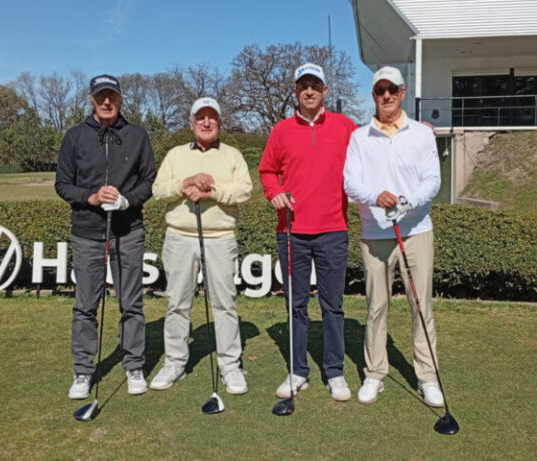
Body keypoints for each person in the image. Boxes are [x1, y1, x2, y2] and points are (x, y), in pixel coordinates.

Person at [342, 66, 444, 406]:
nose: (386, 95)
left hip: (416, 230)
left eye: (393, 90)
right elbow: (350, 182)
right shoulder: (359, 137)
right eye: (379, 90)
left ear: (402, 93)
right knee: (376, 307)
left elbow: (432, 180)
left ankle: (427, 376)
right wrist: (376, 196)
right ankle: (374, 373)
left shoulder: (421, 134)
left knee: (420, 305)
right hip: (375, 232)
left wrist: (408, 201)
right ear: (373, 95)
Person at [258, 63, 357, 401]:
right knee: (296, 304)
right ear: (295, 92)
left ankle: (334, 371)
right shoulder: (281, 130)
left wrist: (417, 129)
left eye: (315, 85)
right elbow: (267, 171)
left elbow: (373, 147)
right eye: (303, 86)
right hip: (291, 230)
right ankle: (298, 371)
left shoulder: (345, 127)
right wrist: (274, 193)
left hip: (332, 229)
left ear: (325, 90)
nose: (310, 91)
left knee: (333, 305)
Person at [55, 74, 156, 399]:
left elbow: (148, 180)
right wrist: (90, 197)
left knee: (131, 304)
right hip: (87, 232)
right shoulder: (74, 137)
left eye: (111, 95)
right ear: (91, 100)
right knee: (85, 305)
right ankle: (83, 371)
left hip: (128, 230)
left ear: (120, 98)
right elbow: (63, 184)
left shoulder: (137, 136)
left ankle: (134, 366)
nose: (106, 102)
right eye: (100, 97)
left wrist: (127, 200)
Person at [150, 97, 252, 395]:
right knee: (177, 303)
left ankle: (230, 366)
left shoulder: (232, 155)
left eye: (212, 118)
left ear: (219, 123)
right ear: (191, 123)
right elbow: (158, 191)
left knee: (224, 303)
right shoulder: (175, 154)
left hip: (219, 238)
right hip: (180, 237)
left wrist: (212, 191)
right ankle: (175, 363)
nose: (207, 123)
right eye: (201, 118)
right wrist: (185, 184)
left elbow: (244, 191)